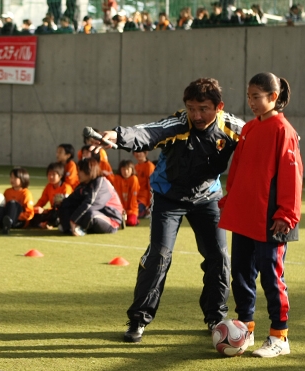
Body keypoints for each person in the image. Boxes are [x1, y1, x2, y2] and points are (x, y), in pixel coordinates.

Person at [94, 78, 244, 343]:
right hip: (168, 198)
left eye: (203, 109)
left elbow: (264, 137)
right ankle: (138, 319)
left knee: (219, 257)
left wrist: (284, 138)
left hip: (207, 198)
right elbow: (147, 132)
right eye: (191, 108)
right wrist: (117, 136)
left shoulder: (233, 128)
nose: (196, 115)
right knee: (159, 255)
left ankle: (215, 317)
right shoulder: (178, 124)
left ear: (218, 107)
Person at [218, 73, 302, 358]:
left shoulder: (284, 130)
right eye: (249, 96)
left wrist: (286, 214)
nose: (251, 102)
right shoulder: (250, 128)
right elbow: (239, 168)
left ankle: (280, 336)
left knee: (271, 274)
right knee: (241, 272)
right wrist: (230, 198)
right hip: (245, 213)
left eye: (256, 96)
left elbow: (292, 176)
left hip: (272, 217)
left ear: (273, 97)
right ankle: (245, 329)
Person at [58, 158, 124, 236]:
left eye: (80, 171)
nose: (77, 174)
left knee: (90, 214)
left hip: (111, 220)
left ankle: (78, 227)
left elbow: (91, 204)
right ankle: (71, 228)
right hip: (93, 213)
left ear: (88, 171)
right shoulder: (83, 185)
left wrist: (73, 220)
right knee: (65, 205)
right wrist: (60, 203)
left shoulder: (101, 182)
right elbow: (70, 201)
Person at [31, 162, 73, 228]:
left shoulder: (66, 188)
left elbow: (64, 206)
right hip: (51, 211)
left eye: (53, 174)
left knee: (55, 215)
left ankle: (49, 224)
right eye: (49, 174)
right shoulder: (48, 187)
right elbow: (42, 201)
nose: (50, 177)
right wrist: (34, 209)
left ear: (60, 176)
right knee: (34, 215)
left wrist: (45, 211)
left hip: (61, 212)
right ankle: (44, 224)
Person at [109, 159, 139, 226]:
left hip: (132, 209)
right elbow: (117, 196)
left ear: (132, 170)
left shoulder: (134, 179)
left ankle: (135, 219)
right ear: (120, 170)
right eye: (123, 169)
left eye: (128, 169)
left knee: (131, 222)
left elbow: (133, 198)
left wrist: (129, 211)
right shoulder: (117, 179)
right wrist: (121, 209)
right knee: (115, 222)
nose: (126, 172)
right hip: (119, 208)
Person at [133, 151, 155, 218]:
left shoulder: (149, 166)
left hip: (144, 198)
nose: (138, 154)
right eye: (136, 152)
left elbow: (151, 186)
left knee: (138, 212)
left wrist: (150, 204)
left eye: (140, 152)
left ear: (146, 153)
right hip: (134, 197)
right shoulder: (135, 167)